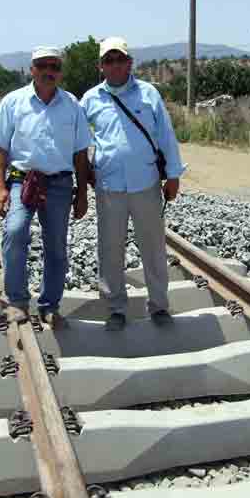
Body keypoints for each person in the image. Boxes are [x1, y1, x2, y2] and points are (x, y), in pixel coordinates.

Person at [80, 37, 185, 331]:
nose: (114, 65)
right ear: (101, 66)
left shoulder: (149, 94)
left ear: (130, 62)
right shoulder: (90, 100)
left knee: (152, 248)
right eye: (108, 60)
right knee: (110, 249)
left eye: (119, 59)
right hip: (109, 187)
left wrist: (173, 175)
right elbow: (76, 139)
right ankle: (115, 309)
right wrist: (84, 170)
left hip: (146, 184)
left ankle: (160, 306)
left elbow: (166, 135)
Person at [0, 46, 90, 328]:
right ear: (32, 69)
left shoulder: (72, 105)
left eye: (54, 66)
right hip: (22, 181)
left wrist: (82, 194)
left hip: (60, 183)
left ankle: (49, 306)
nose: (48, 71)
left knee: (56, 247)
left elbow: (81, 154)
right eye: (42, 65)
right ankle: (17, 301)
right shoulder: (13, 102)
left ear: (60, 72)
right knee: (15, 232)